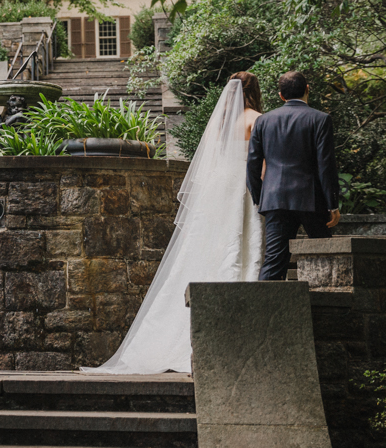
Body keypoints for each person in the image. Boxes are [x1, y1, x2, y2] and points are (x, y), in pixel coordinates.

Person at [84, 71, 265, 375]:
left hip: (219, 186)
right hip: (243, 186)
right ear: (255, 91)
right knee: (241, 240)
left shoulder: (218, 123)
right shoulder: (257, 119)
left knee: (208, 245)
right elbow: (260, 161)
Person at [247, 70, 340, 281]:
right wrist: (332, 204)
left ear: (281, 95)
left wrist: (260, 198)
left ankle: (263, 312)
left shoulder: (263, 121)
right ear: (308, 89)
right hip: (312, 199)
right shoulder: (321, 119)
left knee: (273, 262)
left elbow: (252, 165)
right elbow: (326, 165)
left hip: (275, 200)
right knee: (325, 254)